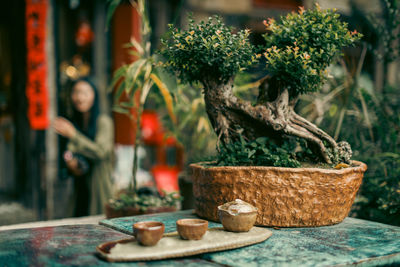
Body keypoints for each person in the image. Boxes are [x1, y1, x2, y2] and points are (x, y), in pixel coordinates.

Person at [53, 78, 114, 216]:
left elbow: (100, 152)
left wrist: (73, 135)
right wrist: (70, 160)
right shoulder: (75, 121)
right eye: (76, 92)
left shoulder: (103, 121)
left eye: (85, 93)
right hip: (79, 187)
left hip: (98, 187)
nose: (80, 97)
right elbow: (69, 150)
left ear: (94, 96)